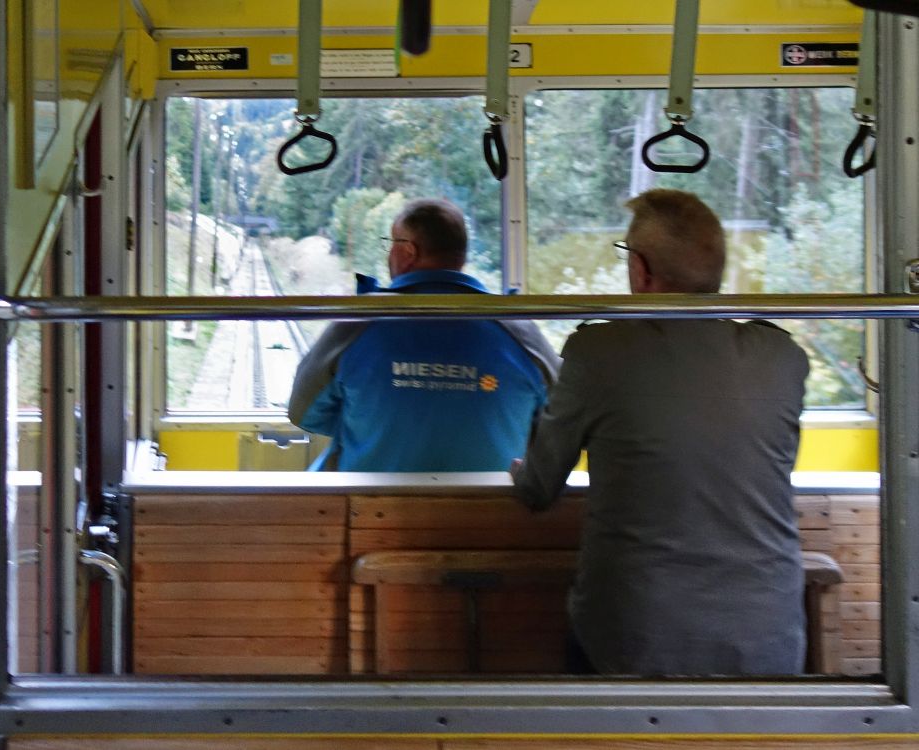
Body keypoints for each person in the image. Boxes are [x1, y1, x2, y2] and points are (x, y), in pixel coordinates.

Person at [510, 189, 810, 676]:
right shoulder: (782, 359)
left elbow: (540, 489)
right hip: (768, 641)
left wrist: (521, 471)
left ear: (641, 271)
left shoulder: (599, 352)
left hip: (634, 641)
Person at [289, 198, 560, 472]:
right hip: (493, 513)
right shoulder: (520, 331)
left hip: (369, 510)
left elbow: (303, 413)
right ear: (462, 256)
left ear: (408, 252)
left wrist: (379, 415)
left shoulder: (357, 322)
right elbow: (567, 417)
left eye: (390, 243)